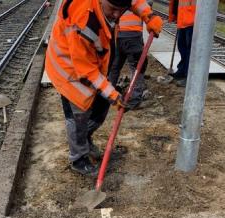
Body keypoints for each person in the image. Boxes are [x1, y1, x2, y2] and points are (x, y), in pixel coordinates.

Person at [45, 0, 163, 176]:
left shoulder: (108, 6)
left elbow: (134, 1)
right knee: (78, 114)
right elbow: (86, 70)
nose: (116, 15)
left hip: (92, 61)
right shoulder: (84, 22)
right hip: (68, 68)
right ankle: (78, 159)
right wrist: (113, 95)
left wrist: (149, 16)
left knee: (101, 105)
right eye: (113, 10)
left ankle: (86, 138)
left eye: (121, 11)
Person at [109, 0, 154, 110]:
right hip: (133, 36)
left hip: (119, 34)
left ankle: (109, 95)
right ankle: (134, 100)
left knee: (115, 66)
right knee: (137, 68)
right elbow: (148, 4)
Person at [168, 0, 196, 86]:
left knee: (190, 50)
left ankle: (189, 76)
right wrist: (173, 15)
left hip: (193, 22)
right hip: (182, 21)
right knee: (182, 47)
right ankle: (182, 70)